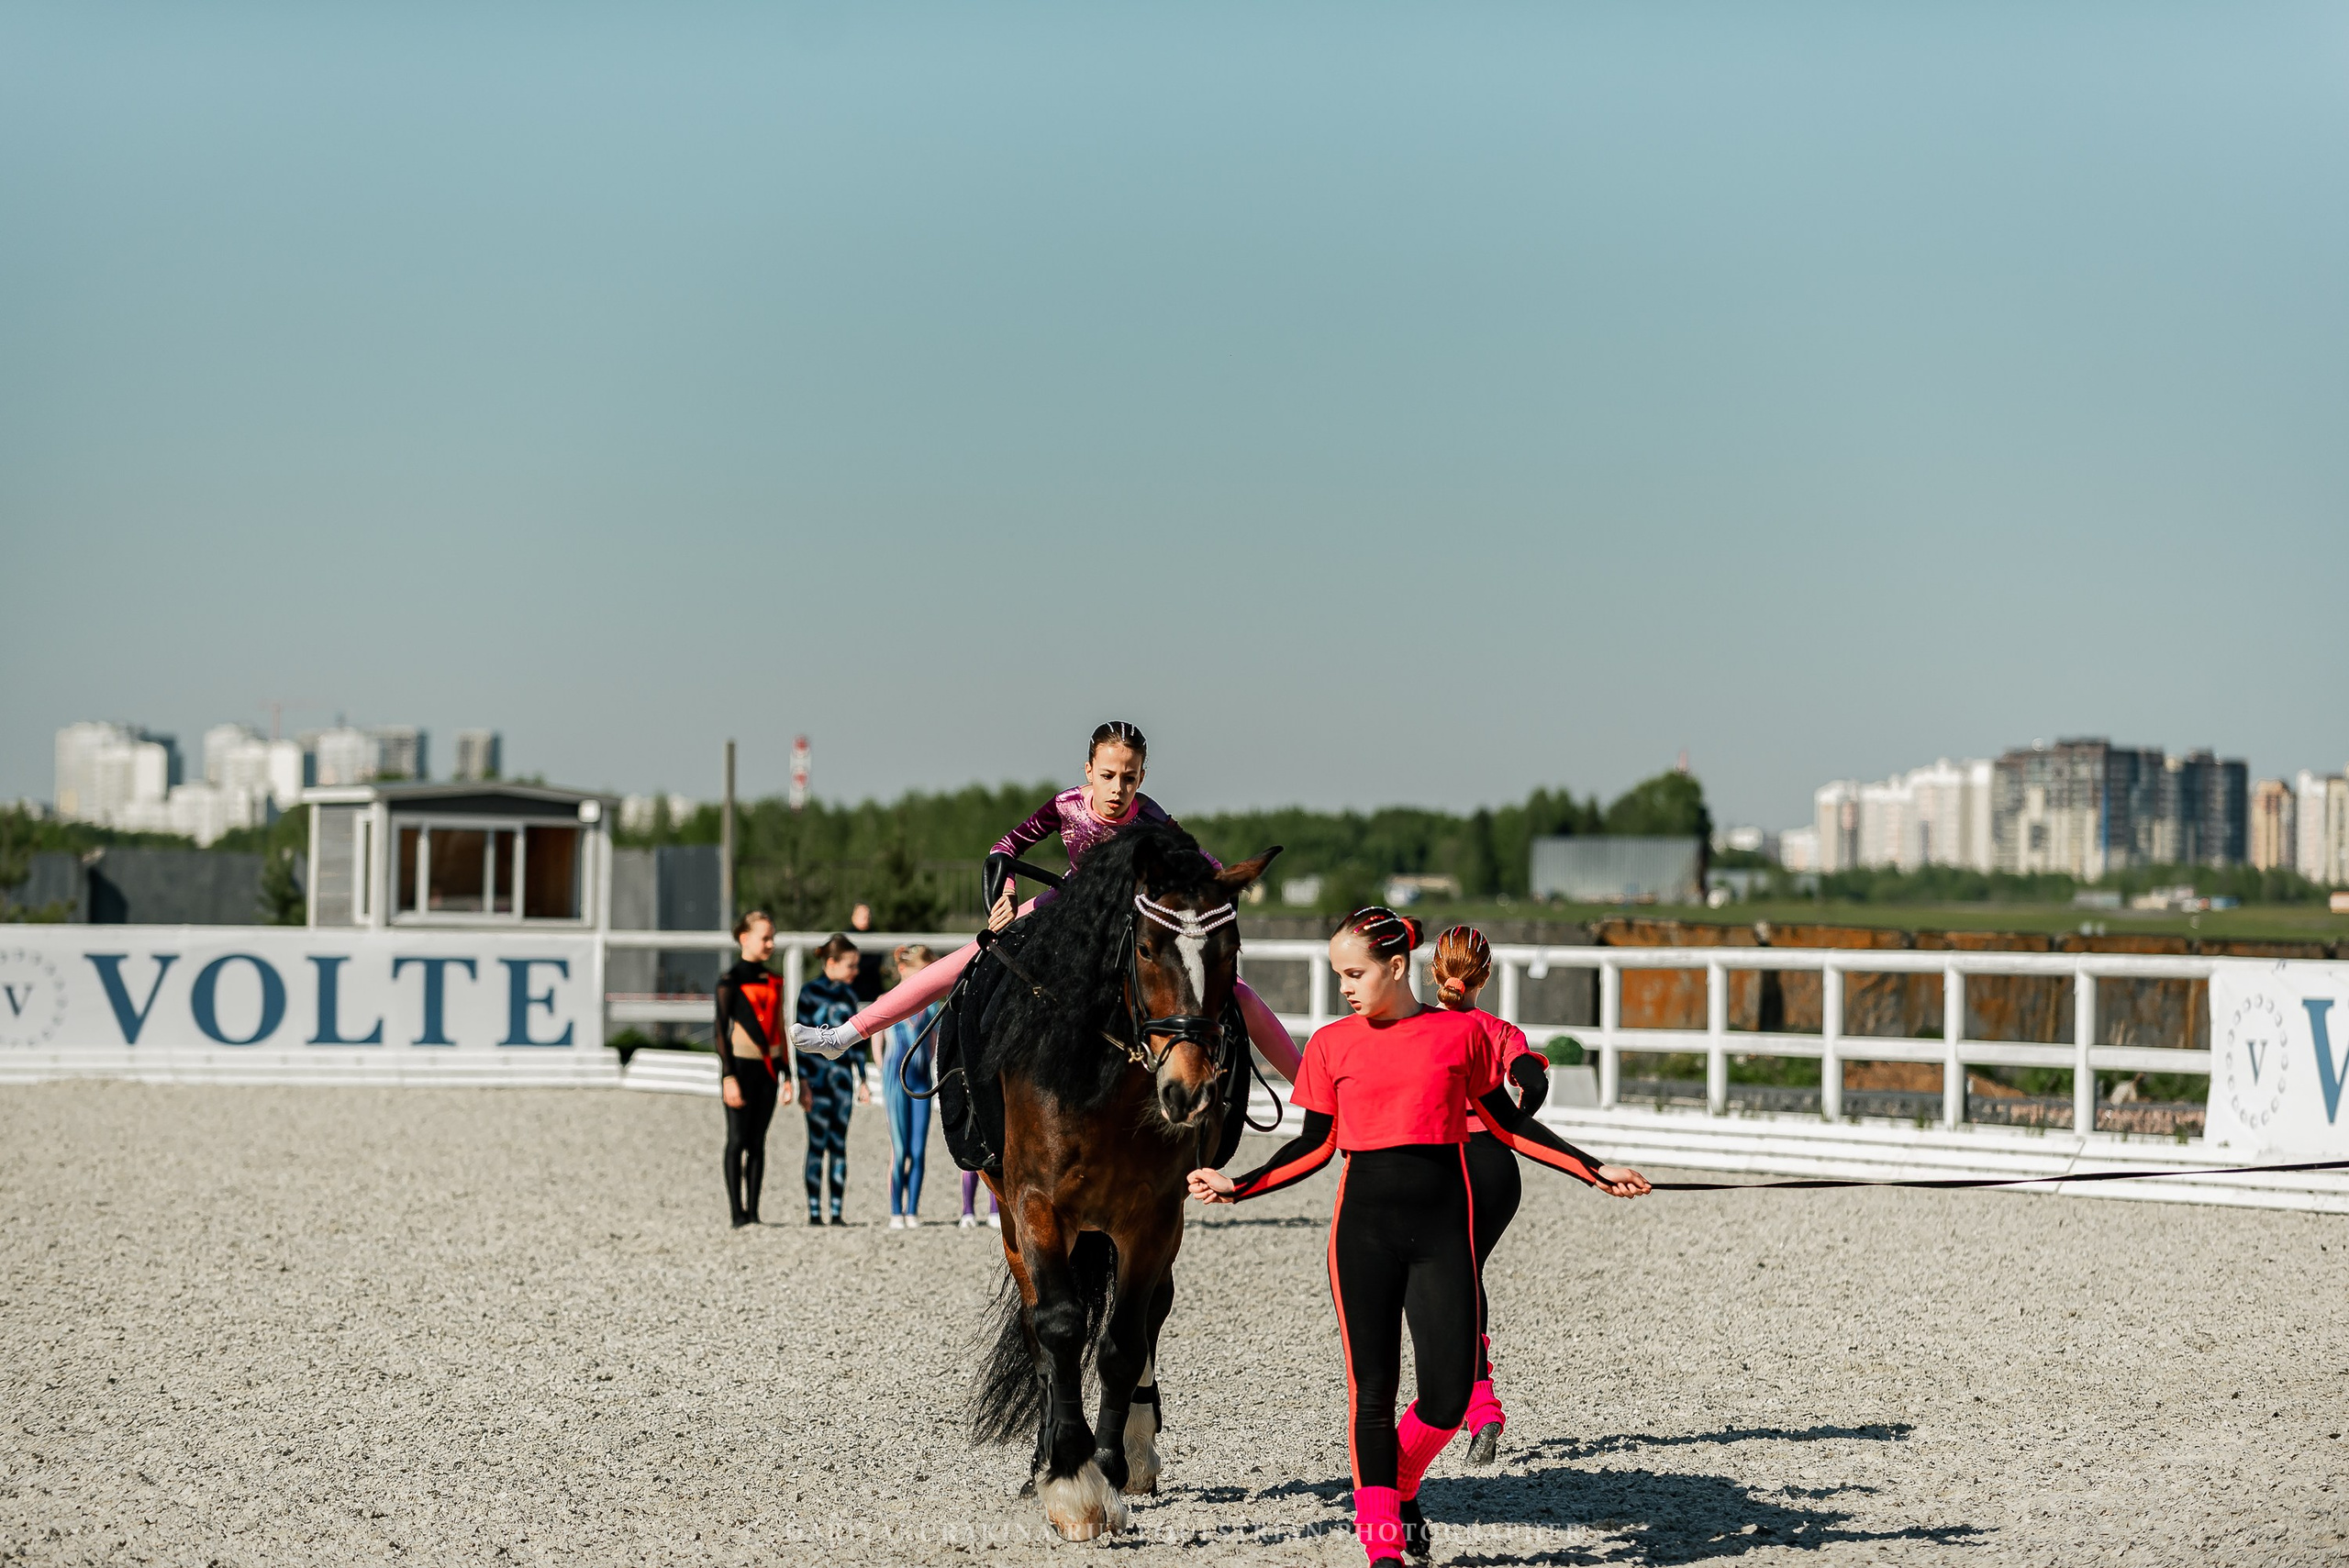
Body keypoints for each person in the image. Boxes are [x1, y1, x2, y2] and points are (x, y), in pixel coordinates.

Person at [1187, 908, 1649, 1568]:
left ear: (1397, 966)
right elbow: (1313, 1146)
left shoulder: (1458, 1036)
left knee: (1448, 1395)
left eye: (1356, 972)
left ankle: (1401, 1483)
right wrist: (1238, 1185)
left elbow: (1510, 1125)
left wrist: (1595, 1169)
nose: (1345, 986)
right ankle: (1384, 1548)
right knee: (1371, 1394)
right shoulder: (1331, 1043)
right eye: (1338, 973)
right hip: (1363, 1238)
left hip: (1442, 1235)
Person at [788, 721, 1303, 1083]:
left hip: (1131, 918)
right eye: (1107, 775)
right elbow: (1004, 848)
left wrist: (1221, 889)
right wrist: (1005, 896)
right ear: (1088, 770)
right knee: (967, 960)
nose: (1117, 788)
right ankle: (847, 1034)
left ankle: (1311, 1088)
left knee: (1237, 993)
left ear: (1141, 777)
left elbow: (1204, 867)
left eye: (1129, 777)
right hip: (1068, 905)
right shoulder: (1066, 806)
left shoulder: (1153, 819)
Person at [1429, 925, 1548, 1464]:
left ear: (1433, 972)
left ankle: (1478, 1407)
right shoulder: (1498, 1030)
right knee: (1463, 1274)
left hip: (1439, 1164)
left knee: (1447, 1281)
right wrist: (1526, 1096)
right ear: (1486, 977)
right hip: (1496, 1171)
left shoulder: (1414, 1027)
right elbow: (1527, 1071)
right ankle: (1478, 1406)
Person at [713, 910, 794, 1228]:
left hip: (769, 1071)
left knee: (758, 1141)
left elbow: (779, 1025)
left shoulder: (774, 980)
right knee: (737, 1140)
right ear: (744, 939)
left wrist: (787, 1073)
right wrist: (728, 1076)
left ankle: (755, 1213)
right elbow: (720, 1030)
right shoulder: (729, 981)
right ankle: (737, 1213)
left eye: (773, 937)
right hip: (741, 1068)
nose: (771, 943)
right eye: (765, 937)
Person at [796, 934, 873, 1227]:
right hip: (816, 1081)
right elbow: (800, 1042)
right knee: (817, 1144)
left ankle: (837, 1210)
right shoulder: (808, 993)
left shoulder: (848, 997)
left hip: (842, 1081)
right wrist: (802, 1082)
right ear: (832, 962)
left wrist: (862, 1079)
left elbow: (857, 1043)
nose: (855, 972)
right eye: (850, 965)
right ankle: (815, 1211)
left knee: (839, 1144)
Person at [880, 944, 940, 1229]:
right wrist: (881, 1071)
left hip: (920, 1080)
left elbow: (932, 1045)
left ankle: (912, 1209)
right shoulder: (887, 1000)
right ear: (903, 970)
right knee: (900, 1148)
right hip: (894, 1079)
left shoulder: (931, 1007)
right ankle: (895, 1211)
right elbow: (877, 1043)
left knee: (918, 1149)